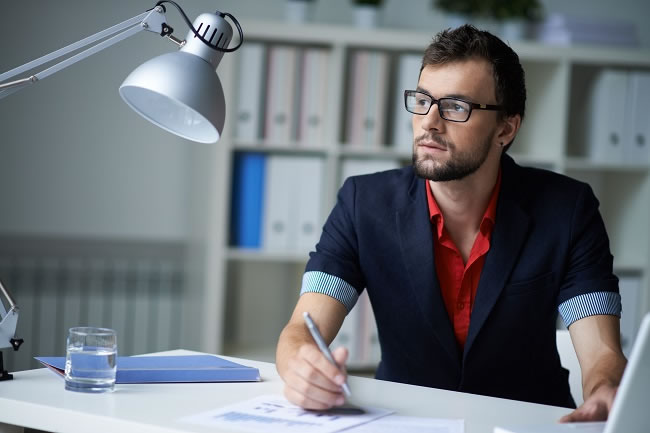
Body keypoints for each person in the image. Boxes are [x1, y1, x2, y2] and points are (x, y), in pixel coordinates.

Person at [275, 24, 627, 422]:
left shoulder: (567, 210)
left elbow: (602, 354)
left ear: (506, 128)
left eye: (456, 107)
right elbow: (301, 330)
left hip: (526, 425)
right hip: (406, 422)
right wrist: (301, 366)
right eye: (422, 100)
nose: (429, 122)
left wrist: (603, 393)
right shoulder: (363, 205)